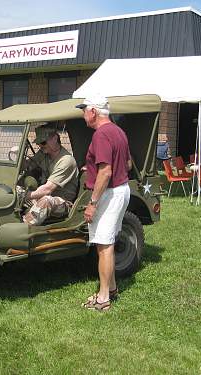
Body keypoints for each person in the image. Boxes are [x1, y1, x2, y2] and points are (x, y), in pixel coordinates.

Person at [76, 95, 132, 312]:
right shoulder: (118, 131)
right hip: (121, 189)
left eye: (83, 111)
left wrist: (92, 203)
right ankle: (112, 288)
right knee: (106, 243)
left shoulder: (101, 135)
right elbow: (126, 163)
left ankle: (103, 298)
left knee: (104, 246)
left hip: (108, 193)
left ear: (93, 112)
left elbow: (105, 171)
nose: (82, 115)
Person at [21, 124, 79, 226]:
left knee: (46, 201)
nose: (40, 145)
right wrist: (19, 158)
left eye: (43, 142)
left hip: (62, 202)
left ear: (55, 138)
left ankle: (23, 227)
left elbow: (48, 189)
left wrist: (25, 196)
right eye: (38, 143)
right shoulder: (44, 152)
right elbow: (29, 165)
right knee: (17, 191)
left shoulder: (66, 160)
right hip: (44, 195)